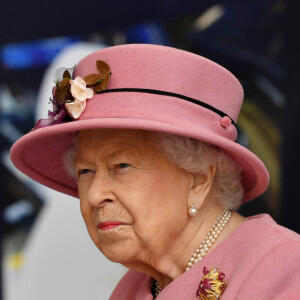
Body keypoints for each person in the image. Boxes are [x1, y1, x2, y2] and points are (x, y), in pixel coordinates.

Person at [10, 44, 300, 299]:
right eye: (85, 171)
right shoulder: (131, 289)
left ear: (199, 179)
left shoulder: (283, 270)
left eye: (122, 166)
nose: (95, 194)